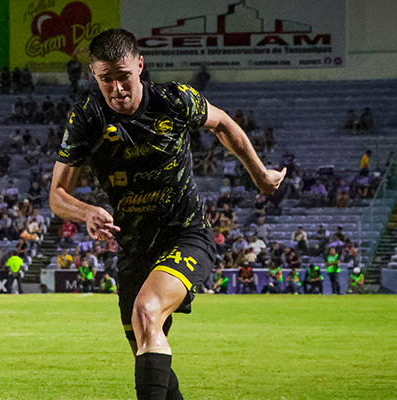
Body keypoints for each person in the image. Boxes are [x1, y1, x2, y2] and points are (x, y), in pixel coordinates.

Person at [48, 29, 285, 400]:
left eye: (123, 76)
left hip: (185, 234)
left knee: (147, 311)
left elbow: (222, 123)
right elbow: (57, 195)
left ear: (140, 66)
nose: (117, 89)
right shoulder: (87, 119)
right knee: (146, 343)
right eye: (105, 79)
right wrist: (87, 212)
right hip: (134, 248)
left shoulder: (173, 100)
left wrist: (260, 174)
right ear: (94, 76)